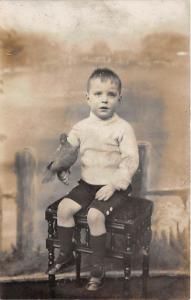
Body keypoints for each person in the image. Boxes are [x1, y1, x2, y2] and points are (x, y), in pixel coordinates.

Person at [48, 68, 139, 291]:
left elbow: (130, 161)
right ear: (87, 97)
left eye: (111, 94)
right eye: (98, 94)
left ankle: (97, 268)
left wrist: (115, 185)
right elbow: (67, 150)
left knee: (95, 215)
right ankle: (67, 254)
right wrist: (63, 168)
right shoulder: (80, 127)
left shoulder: (123, 128)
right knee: (64, 209)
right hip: (88, 184)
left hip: (113, 187)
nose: (104, 100)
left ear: (120, 98)